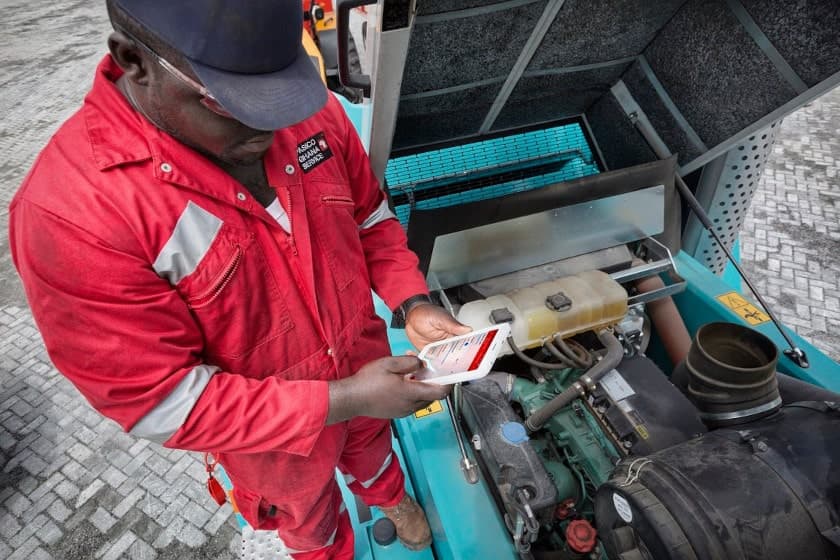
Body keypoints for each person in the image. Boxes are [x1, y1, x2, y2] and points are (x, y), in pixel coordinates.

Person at [9, 1, 471, 557]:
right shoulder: (73, 217)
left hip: (367, 366)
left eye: (282, 95)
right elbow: (162, 401)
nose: (269, 124)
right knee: (310, 521)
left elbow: (368, 216)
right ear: (134, 60)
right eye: (233, 103)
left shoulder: (309, 115)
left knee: (374, 451)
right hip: (274, 447)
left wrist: (412, 303)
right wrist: (341, 398)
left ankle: (389, 494)